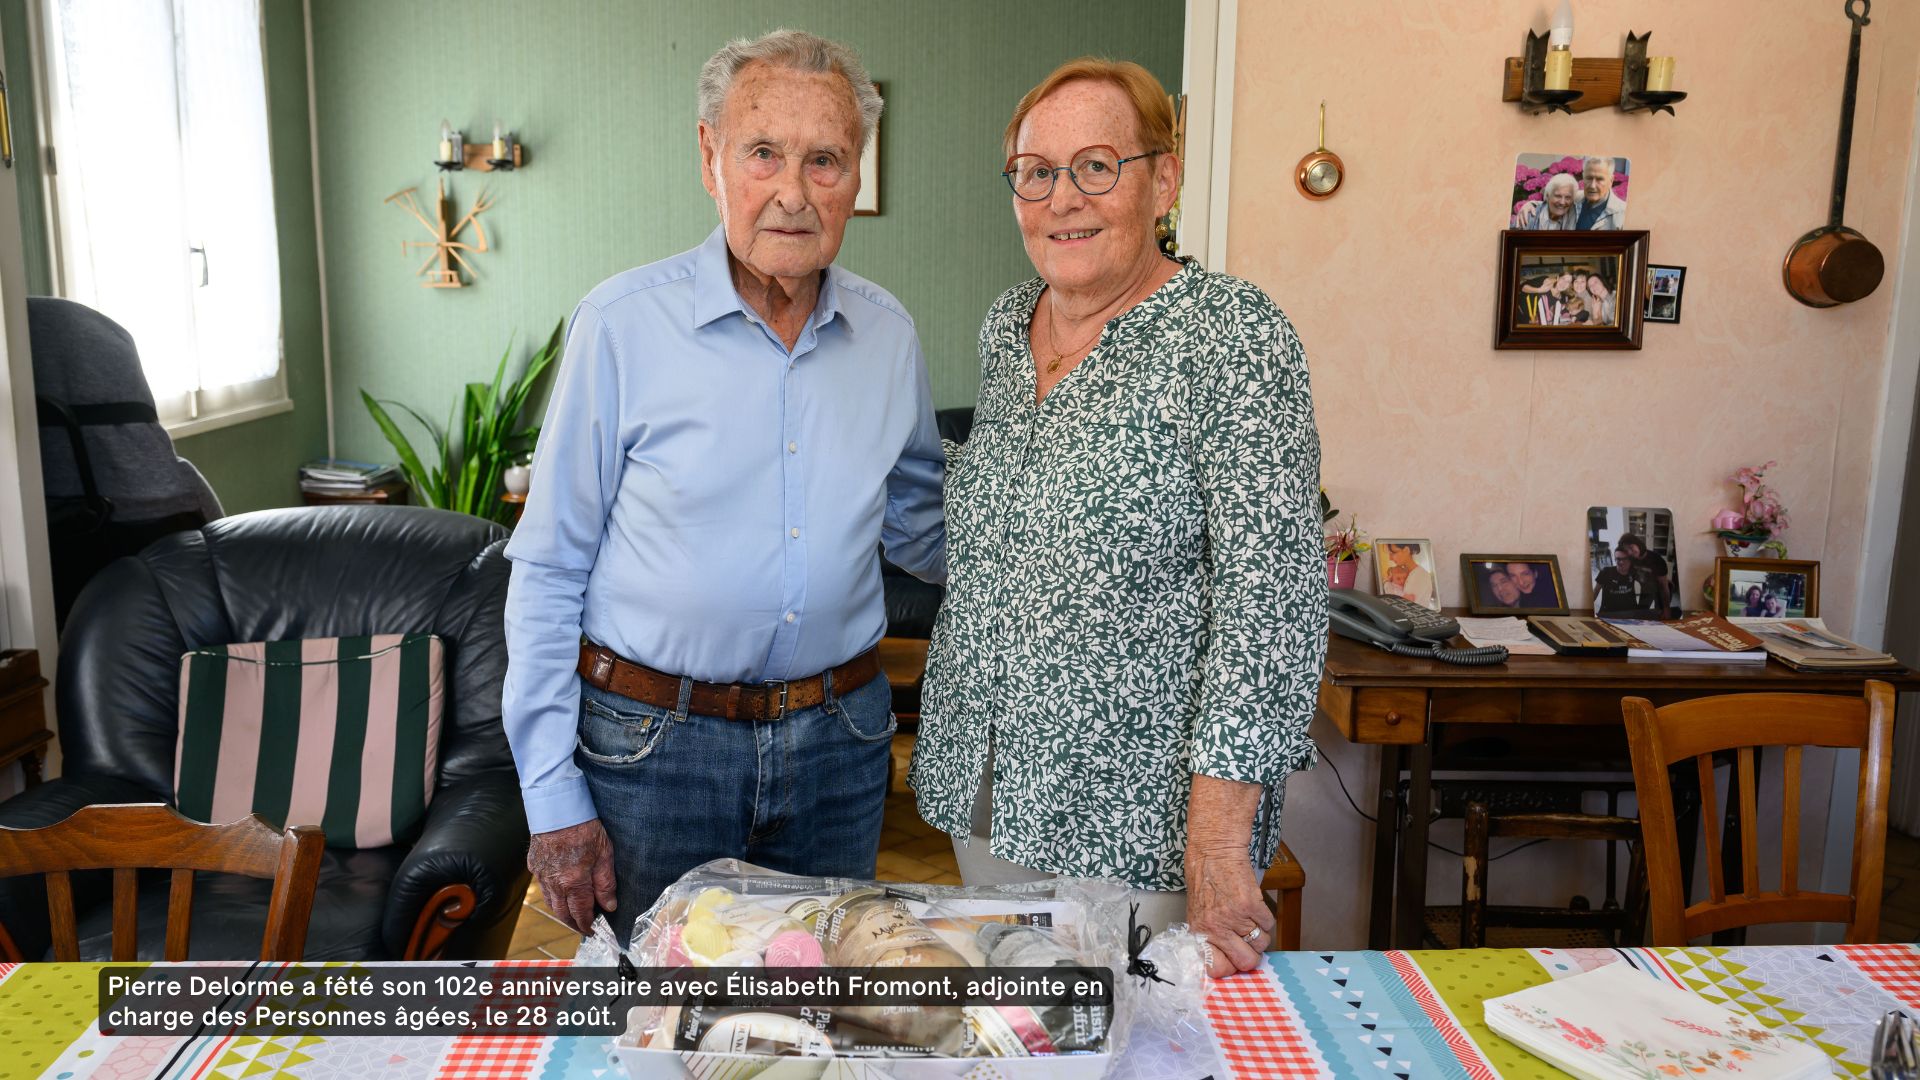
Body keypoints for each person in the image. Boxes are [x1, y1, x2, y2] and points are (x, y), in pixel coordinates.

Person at [502, 29, 947, 940]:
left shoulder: (889, 335)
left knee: (823, 1024)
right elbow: (547, 570)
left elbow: (922, 529)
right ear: (711, 158)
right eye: (764, 154)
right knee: (659, 1028)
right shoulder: (619, 326)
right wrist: (552, 798)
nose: (793, 191)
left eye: (824, 159)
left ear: (856, 176)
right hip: (655, 752)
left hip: (841, 747)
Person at [910, 58, 1326, 980]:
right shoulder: (1007, 324)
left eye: (1097, 166)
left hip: (1139, 819)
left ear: (1163, 179)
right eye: (1036, 171)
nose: (1063, 198)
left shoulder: (1230, 334)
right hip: (988, 790)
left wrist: (1218, 843)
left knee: (1142, 1048)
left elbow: (1273, 608)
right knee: (1017, 1035)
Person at [1594, 546, 1659, 616]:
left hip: (1629, 612)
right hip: (1609, 612)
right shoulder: (1606, 572)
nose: (1621, 562)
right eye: (1618, 559)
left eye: (1625, 559)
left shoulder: (1634, 571)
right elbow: (1595, 592)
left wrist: (1642, 610)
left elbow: (1650, 586)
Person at [1617, 533, 1670, 616]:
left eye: (1631, 547)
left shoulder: (1657, 560)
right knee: (1641, 613)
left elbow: (1664, 587)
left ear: (1637, 543)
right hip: (1647, 589)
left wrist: (1666, 608)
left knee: (1661, 614)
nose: (1630, 552)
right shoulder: (1631, 560)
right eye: (1627, 550)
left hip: (1661, 589)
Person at [1513, 172, 1579, 230]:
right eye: (1558, 196)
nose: (1562, 202)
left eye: (1568, 197)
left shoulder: (1576, 216)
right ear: (1547, 196)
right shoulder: (1529, 217)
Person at [1576, 156, 1627, 230]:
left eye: (1599, 179)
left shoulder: (1623, 215)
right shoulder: (1572, 200)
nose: (1593, 186)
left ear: (1611, 181)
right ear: (1583, 177)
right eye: (1589, 178)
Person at [1382, 542, 1434, 607]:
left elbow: (1403, 606)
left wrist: (1386, 583)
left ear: (1406, 550)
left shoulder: (1421, 575)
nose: (1390, 558)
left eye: (1393, 553)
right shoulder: (1403, 573)